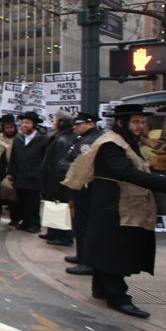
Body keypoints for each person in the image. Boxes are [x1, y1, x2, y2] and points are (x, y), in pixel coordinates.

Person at [63, 104, 166, 318]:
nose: (140, 126)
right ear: (121, 122)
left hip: (115, 203)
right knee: (114, 251)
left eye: (143, 122)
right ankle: (118, 297)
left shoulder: (125, 142)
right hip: (113, 205)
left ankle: (102, 288)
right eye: (136, 121)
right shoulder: (111, 144)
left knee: (106, 248)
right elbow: (125, 172)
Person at [64, 112, 103, 276]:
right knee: (80, 225)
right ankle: (81, 255)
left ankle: (88, 261)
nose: (75, 127)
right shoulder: (82, 139)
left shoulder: (90, 141)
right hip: (81, 189)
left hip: (86, 189)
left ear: (90, 124)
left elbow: (82, 164)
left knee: (85, 226)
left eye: (78, 124)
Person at [6, 112, 50, 233]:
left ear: (34, 125)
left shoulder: (43, 139)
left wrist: (41, 173)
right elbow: (13, 157)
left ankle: (34, 223)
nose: (24, 125)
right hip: (20, 175)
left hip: (34, 176)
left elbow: (46, 159)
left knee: (33, 202)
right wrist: (11, 172)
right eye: (23, 122)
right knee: (22, 200)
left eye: (27, 123)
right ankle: (24, 222)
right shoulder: (19, 138)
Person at [39, 112, 76, 246]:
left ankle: (64, 237)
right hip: (52, 179)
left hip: (57, 180)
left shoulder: (63, 140)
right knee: (53, 205)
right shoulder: (59, 137)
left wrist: (57, 181)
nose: (53, 124)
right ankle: (53, 232)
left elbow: (60, 164)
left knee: (62, 207)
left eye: (55, 121)